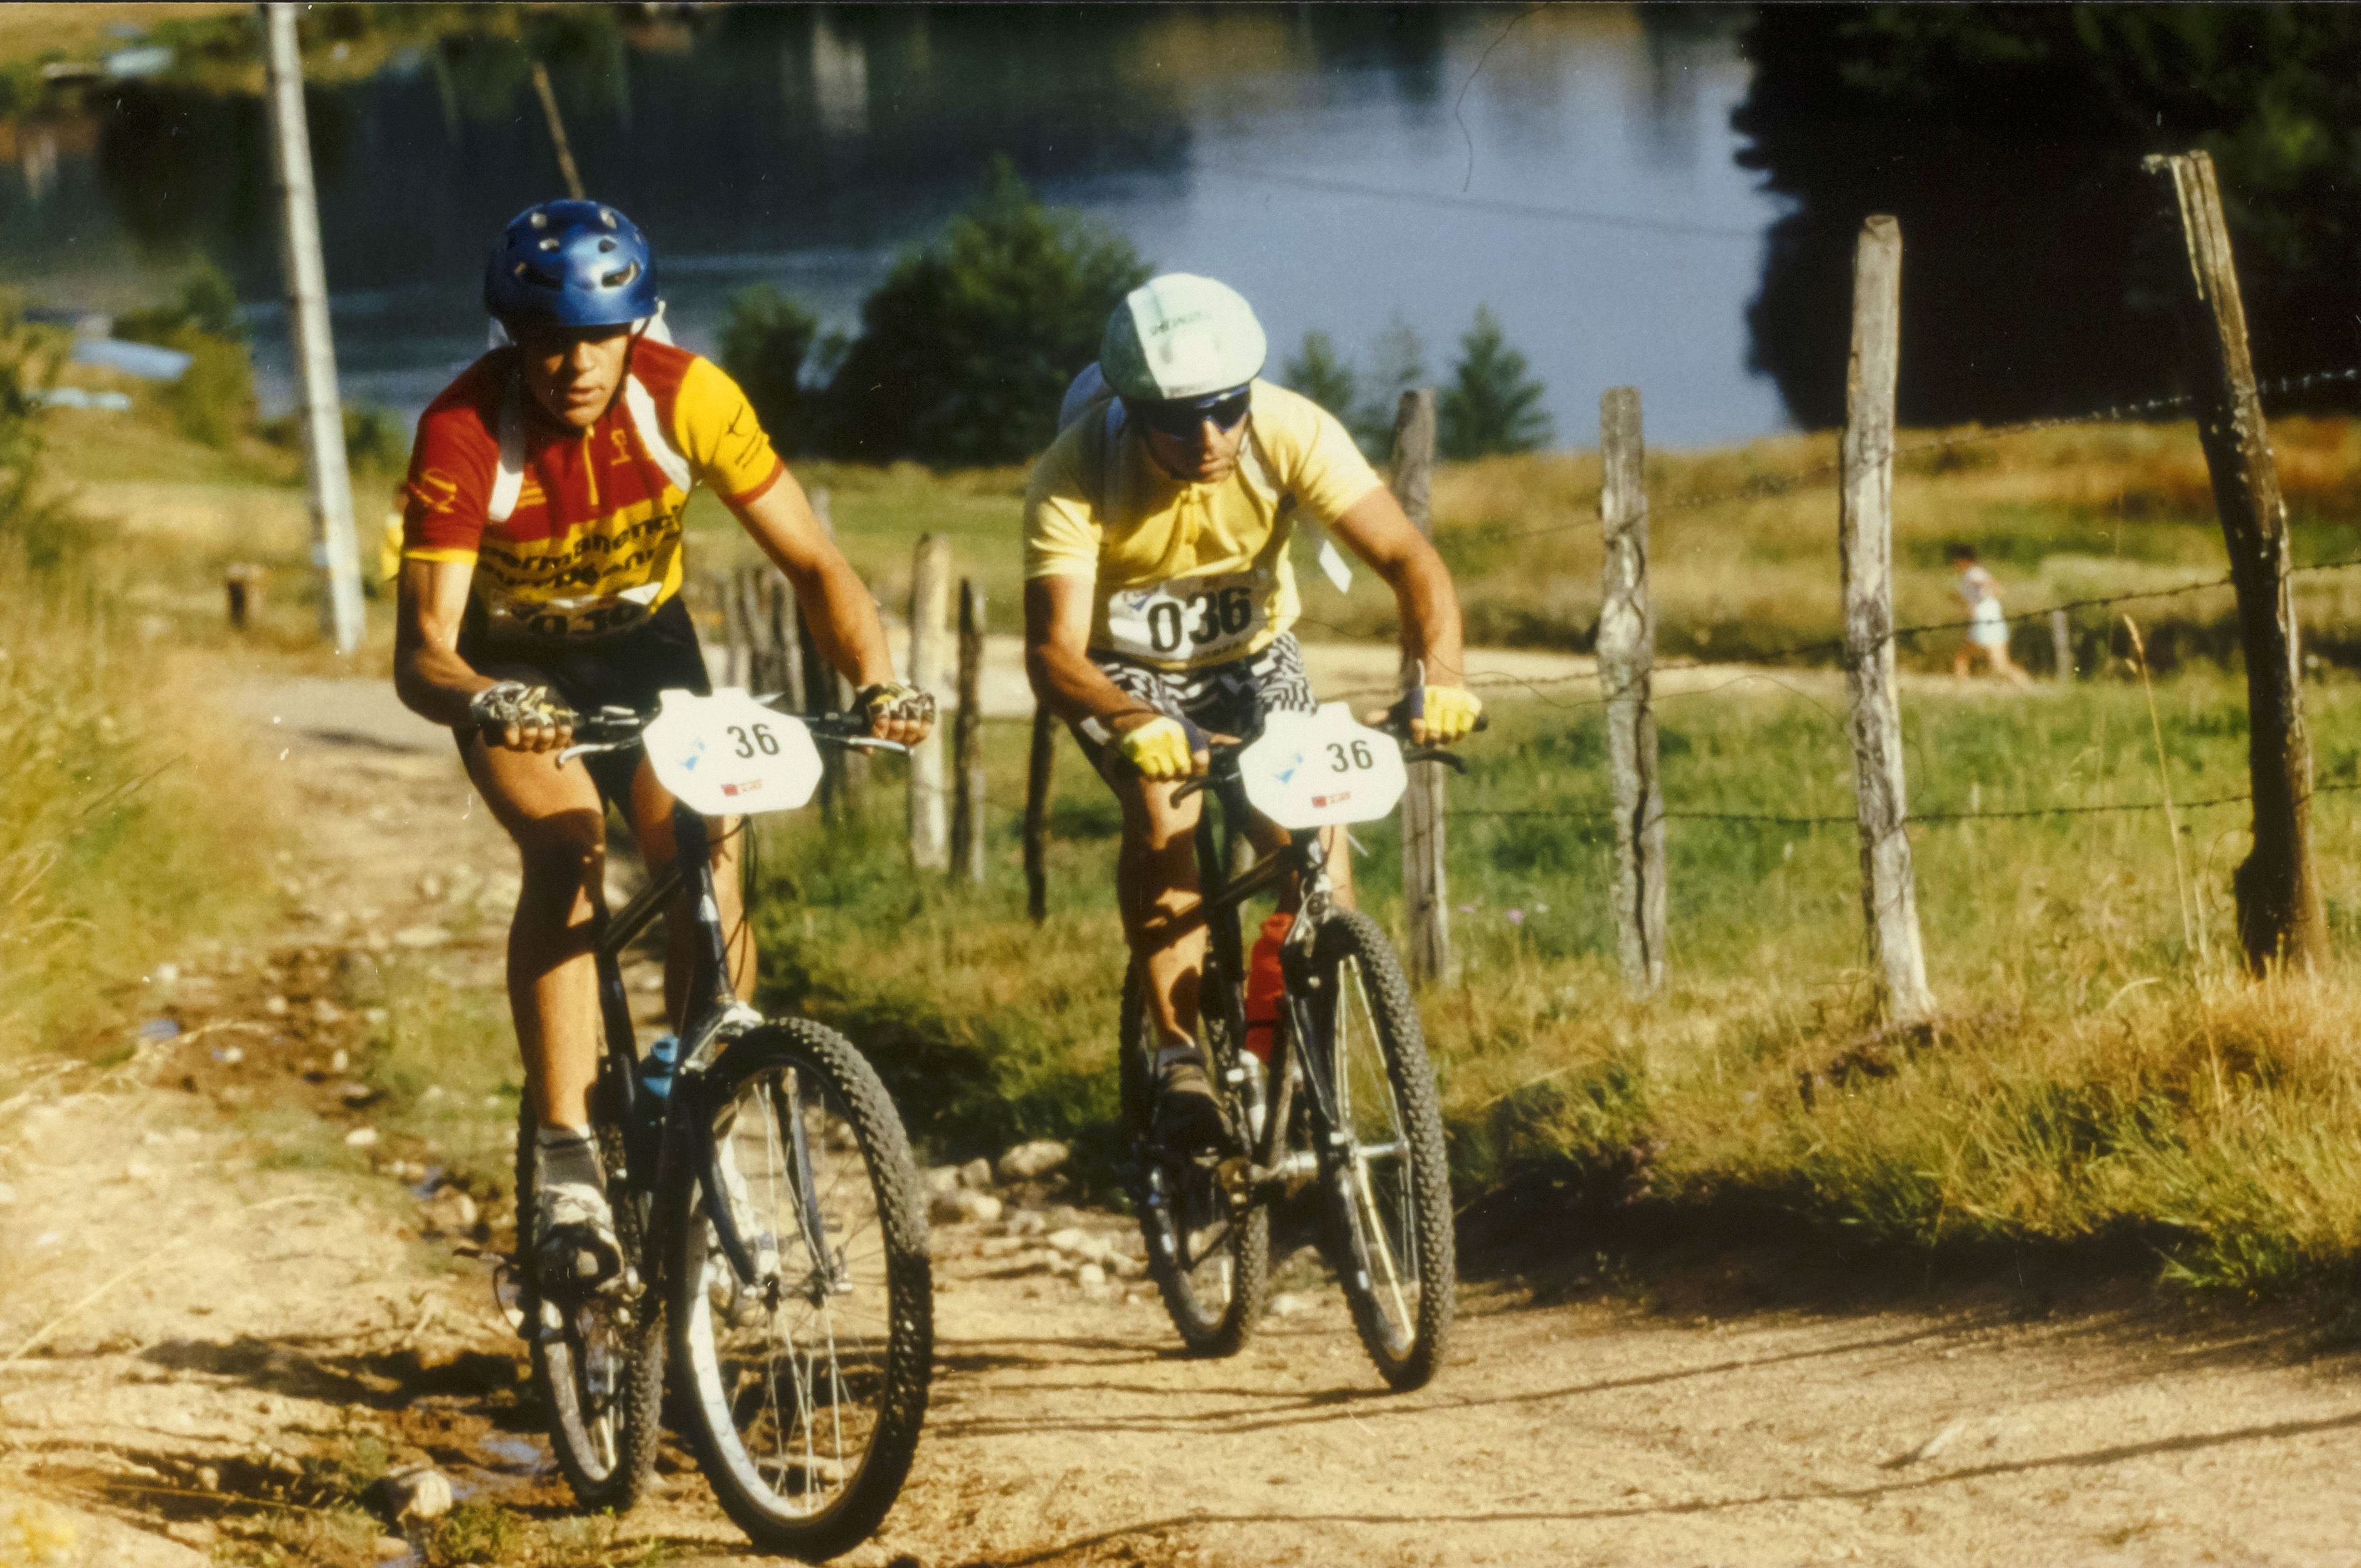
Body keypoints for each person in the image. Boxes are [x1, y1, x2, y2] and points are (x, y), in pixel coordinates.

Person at [391, 199, 933, 1289]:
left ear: (639, 326)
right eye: (547, 340)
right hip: (516, 671)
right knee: (569, 847)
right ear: (512, 337)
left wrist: (875, 683)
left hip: (645, 647)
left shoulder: (688, 396)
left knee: (707, 834)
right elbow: (423, 656)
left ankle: (703, 1094)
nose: (574, 365)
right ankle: (564, 1156)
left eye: (600, 336)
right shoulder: (462, 431)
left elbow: (818, 568)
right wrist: (485, 700)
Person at [1022, 273, 1480, 1153]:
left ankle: (1285, 1050)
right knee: (1165, 815)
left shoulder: (1291, 428)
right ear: (1131, 409)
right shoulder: (1074, 472)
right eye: (1178, 419)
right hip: (1128, 672)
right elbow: (1054, 654)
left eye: (1226, 410)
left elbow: (1413, 563)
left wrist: (1443, 677)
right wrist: (1131, 723)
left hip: (1252, 658)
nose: (1209, 438)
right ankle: (1180, 1056)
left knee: (1316, 851)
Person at [1950, 543, 2030, 687]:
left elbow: (1991, 586)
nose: (1955, 563)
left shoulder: (1973, 573)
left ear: (1963, 559)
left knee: (2000, 666)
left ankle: (2025, 684)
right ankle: (1960, 690)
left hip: (1985, 621)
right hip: (1984, 620)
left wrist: (1984, 595)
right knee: (1963, 657)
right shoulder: (1975, 572)